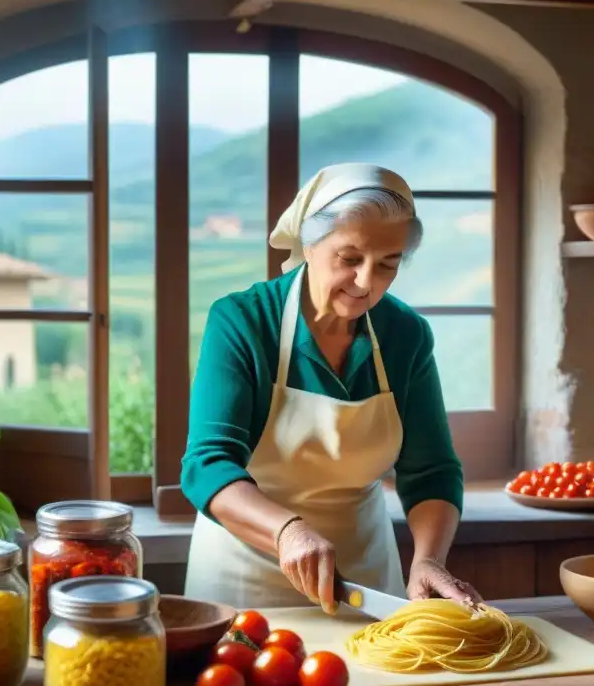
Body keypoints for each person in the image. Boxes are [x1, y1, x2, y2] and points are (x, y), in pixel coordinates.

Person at [181, 163, 481, 613]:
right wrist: (288, 532)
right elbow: (207, 464)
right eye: (350, 258)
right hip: (244, 576)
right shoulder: (243, 321)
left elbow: (432, 470)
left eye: (388, 264)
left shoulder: (405, 335)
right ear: (310, 243)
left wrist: (428, 559)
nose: (366, 282)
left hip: (364, 579)